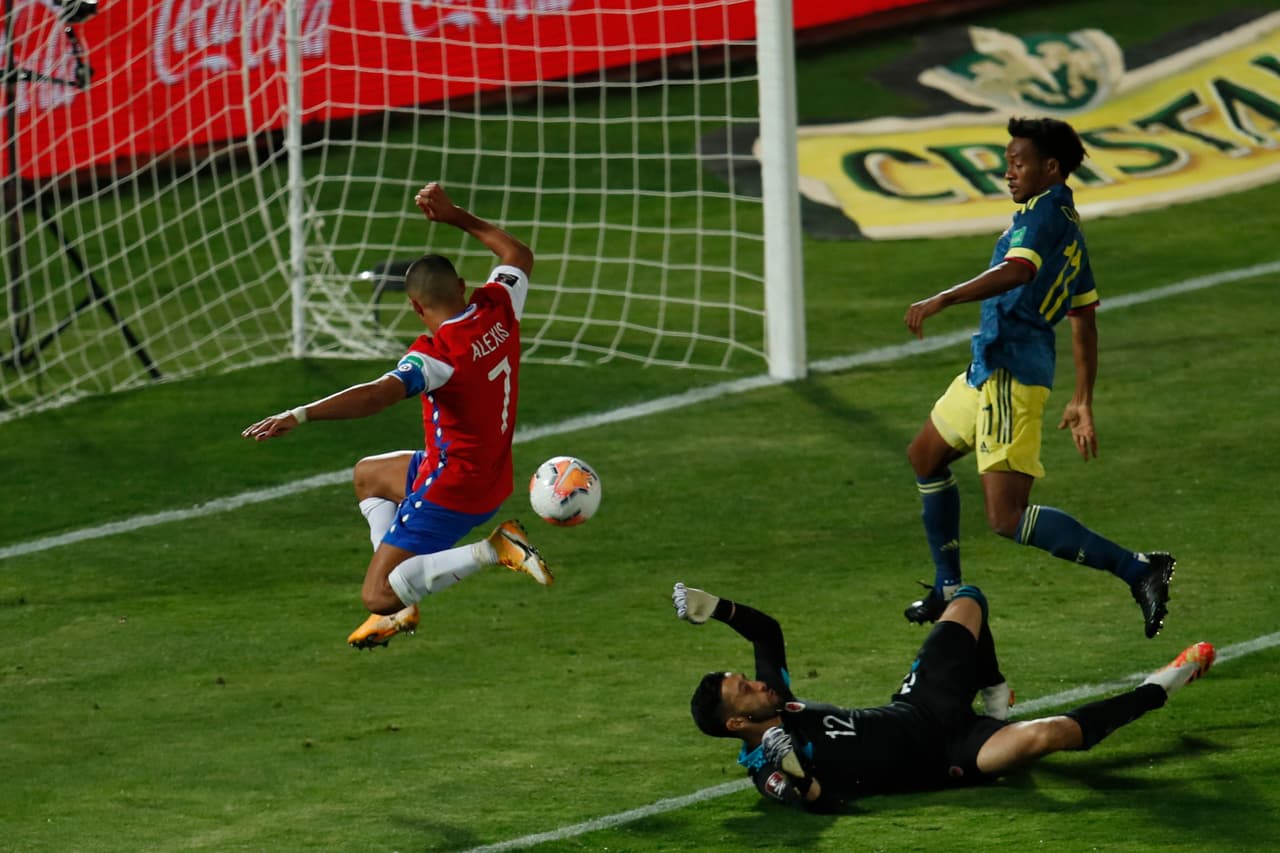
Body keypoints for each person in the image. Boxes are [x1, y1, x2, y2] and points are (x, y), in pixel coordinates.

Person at [243, 182, 551, 649]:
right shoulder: (499, 307)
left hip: (454, 489)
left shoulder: (438, 354)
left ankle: (493, 550)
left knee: (376, 594)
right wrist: (455, 217)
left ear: (414, 305)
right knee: (368, 476)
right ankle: (405, 601)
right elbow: (517, 253)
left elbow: (375, 396)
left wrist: (301, 414)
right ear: (464, 289)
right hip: (490, 474)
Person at [901, 116, 1173, 637]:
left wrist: (944, 297)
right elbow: (1084, 317)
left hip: (1012, 374)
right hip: (988, 366)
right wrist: (1083, 399)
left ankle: (1140, 568)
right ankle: (948, 589)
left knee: (1006, 517)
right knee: (925, 456)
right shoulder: (1065, 222)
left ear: (1050, 167)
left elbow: (1019, 271)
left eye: (1018, 161)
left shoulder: (1043, 218)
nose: (1008, 171)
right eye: (1007, 161)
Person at [674, 582, 1214, 812]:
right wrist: (797, 774)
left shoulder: (781, 702)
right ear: (733, 722)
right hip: (949, 755)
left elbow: (766, 633)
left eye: (747, 678)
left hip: (917, 704)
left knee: (967, 601)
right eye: (744, 689)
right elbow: (818, 802)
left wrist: (719, 607)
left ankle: (995, 690)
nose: (757, 682)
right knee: (1051, 736)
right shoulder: (765, 768)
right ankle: (1160, 684)